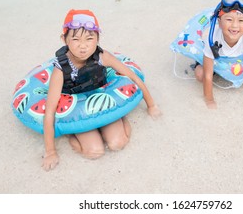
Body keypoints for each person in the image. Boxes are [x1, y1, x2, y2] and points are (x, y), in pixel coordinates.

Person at [42, 9, 161, 171]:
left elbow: (133, 77)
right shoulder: (60, 70)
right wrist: (50, 152)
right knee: (94, 152)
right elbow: (49, 111)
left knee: (118, 143)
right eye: (75, 39)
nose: (83, 46)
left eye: (89, 39)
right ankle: (73, 134)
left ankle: (119, 117)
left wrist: (151, 105)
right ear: (64, 39)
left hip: (103, 102)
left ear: (98, 38)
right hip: (77, 111)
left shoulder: (102, 57)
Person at [194, 0, 243, 109]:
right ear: (219, 22)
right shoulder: (212, 38)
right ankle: (219, 74)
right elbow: (208, 74)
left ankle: (229, 74)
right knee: (200, 75)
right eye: (229, 19)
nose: (235, 25)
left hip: (236, 59)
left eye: (241, 21)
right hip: (214, 60)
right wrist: (209, 100)